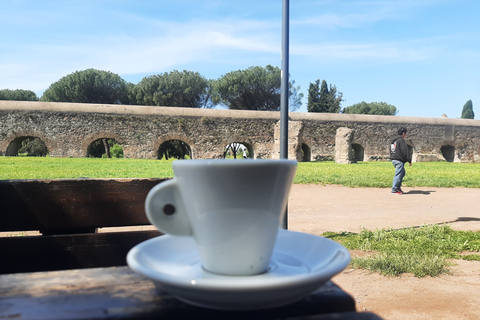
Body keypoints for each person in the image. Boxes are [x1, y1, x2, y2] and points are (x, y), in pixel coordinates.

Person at [390, 127, 412, 195]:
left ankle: (398, 187)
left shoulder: (393, 141)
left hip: (394, 159)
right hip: (399, 160)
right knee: (398, 174)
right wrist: (409, 160)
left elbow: (391, 150)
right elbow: (404, 150)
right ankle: (394, 189)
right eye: (405, 133)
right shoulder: (401, 140)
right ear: (403, 133)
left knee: (402, 173)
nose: (405, 135)